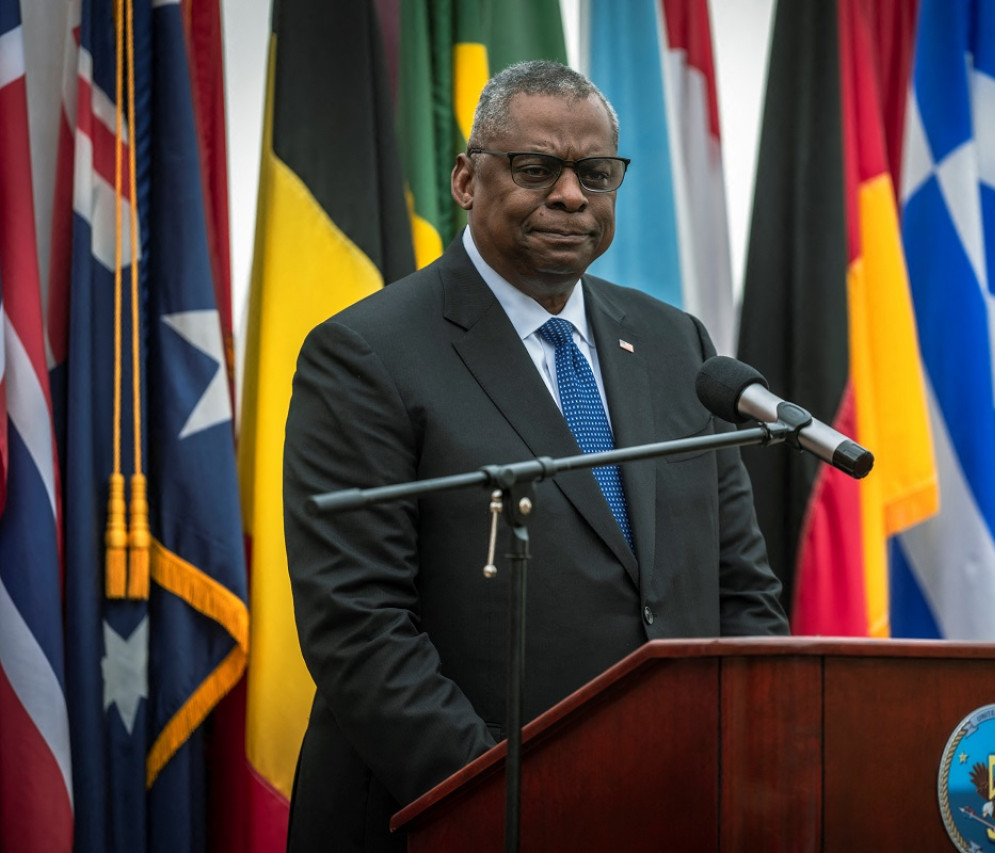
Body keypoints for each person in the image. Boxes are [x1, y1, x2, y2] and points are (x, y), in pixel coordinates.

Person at [282, 60, 789, 851]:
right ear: (464, 179)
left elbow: (741, 591)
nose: (570, 196)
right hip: (462, 816)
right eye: (535, 168)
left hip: (671, 807)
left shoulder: (674, 343)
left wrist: (747, 759)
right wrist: (514, 799)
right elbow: (361, 629)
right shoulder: (366, 355)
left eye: (596, 173)